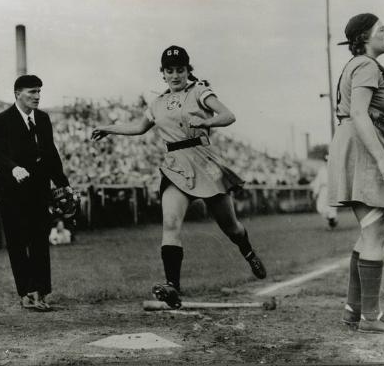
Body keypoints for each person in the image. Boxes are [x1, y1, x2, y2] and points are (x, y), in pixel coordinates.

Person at [92, 45, 267, 308]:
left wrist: (206, 122)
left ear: (188, 70)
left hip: (204, 162)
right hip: (175, 166)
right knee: (171, 224)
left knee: (230, 227)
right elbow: (139, 128)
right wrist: (108, 128)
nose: (175, 75)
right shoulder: (158, 103)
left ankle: (248, 251)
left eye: (180, 70)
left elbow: (228, 115)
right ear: (162, 73)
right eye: (169, 71)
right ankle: (172, 286)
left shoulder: (199, 91)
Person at [327, 14, 384, 334]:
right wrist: (383, 161)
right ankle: (371, 317)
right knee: (375, 233)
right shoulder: (365, 66)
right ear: (365, 37)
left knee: (369, 231)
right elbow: (360, 114)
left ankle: (354, 311)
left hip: (353, 143)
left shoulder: (359, 65)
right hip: (363, 147)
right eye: (381, 30)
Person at [0, 75, 71, 312]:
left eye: (39, 92)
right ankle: (26, 292)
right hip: (11, 189)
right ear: (17, 94)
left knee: (38, 239)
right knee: (17, 241)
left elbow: (51, 154)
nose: (37, 96)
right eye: (32, 92)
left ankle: (41, 292)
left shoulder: (43, 119)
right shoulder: (2, 120)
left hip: (37, 188)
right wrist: (13, 167)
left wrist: (63, 183)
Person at [311, 155, 338, 230]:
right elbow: (318, 182)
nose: (327, 162)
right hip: (323, 190)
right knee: (320, 207)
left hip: (332, 190)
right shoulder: (321, 170)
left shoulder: (334, 170)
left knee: (331, 208)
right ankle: (332, 220)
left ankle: (332, 223)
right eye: (326, 161)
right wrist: (315, 192)